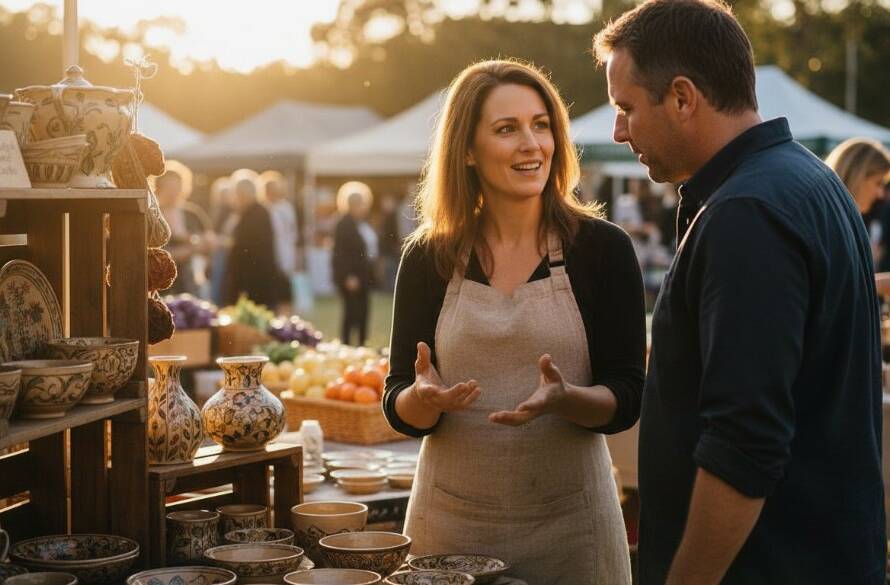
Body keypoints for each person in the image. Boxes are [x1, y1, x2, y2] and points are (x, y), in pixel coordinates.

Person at [594, 1, 886, 584]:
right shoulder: (806, 177)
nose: (618, 131)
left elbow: (743, 445)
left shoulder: (748, 212)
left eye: (626, 108)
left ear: (682, 97)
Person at [383, 59, 645, 584]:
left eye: (541, 124)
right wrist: (423, 398)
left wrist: (568, 398)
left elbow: (627, 397)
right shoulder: (428, 257)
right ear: (467, 150)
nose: (532, 144)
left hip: (573, 531)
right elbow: (399, 403)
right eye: (507, 129)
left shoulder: (603, 250)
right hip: (449, 531)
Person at [223, 169, 289, 308]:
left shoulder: (257, 214)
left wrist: (223, 243)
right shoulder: (250, 213)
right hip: (254, 280)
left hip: (256, 282)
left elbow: (246, 246)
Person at [825, 138, 890, 265]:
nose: (880, 194)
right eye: (878, 183)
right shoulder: (831, 224)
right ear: (858, 177)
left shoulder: (838, 218)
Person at [155, 160, 213, 297]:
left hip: (190, 283)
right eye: (169, 186)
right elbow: (156, 254)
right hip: (161, 284)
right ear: (159, 187)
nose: (174, 191)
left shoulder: (192, 213)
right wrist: (191, 248)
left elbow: (209, 242)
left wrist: (185, 238)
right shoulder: (154, 215)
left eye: (177, 186)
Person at [332, 181, 377, 346]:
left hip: (362, 277)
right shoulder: (343, 224)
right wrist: (348, 276)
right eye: (359, 204)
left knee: (363, 313)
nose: (362, 207)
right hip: (351, 278)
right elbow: (340, 254)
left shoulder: (361, 223)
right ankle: (346, 345)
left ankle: (361, 345)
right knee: (351, 314)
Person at [259, 170, 297, 314]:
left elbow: (292, 234)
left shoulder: (286, 208)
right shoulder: (263, 210)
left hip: (285, 258)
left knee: (286, 298)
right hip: (269, 261)